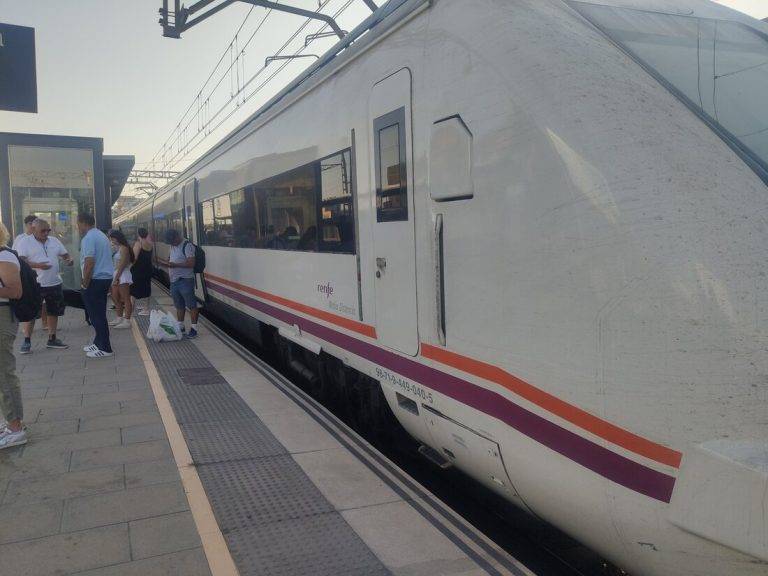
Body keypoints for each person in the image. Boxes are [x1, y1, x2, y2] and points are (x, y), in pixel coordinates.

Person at [16, 219, 74, 352]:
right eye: (43, 230)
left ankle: (52, 338)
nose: (46, 233)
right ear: (33, 229)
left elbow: (65, 255)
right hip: (35, 284)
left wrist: (69, 260)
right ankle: (26, 341)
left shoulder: (54, 241)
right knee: (31, 313)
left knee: (54, 311)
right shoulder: (24, 242)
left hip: (54, 282)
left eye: (48, 230)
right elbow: (21, 262)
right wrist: (38, 265)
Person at [0, 221, 26, 449]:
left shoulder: (5, 256)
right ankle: (11, 421)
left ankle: (16, 427)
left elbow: (15, 291)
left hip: (3, 317)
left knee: (3, 372)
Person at [77, 213, 114, 358]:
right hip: (104, 279)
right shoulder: (101, 235)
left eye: (78, 224)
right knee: (99, 313)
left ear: (83, 223)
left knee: (96, 315)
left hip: (95, 280)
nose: (78, 227)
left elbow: (89, 263)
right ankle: (98, 342)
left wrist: (85, 284)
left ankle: (105, 348)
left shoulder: (88, 238)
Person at [157, 229, 199, 339]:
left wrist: (175, 265)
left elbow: (191, 263)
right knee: (179, 305)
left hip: (185, 280)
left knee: (191, 305)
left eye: (172, 241)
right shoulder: (172, 246)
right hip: (174, 281)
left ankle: (194, 328)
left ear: (177, 237)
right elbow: (170, 259)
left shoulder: (187, 245)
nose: (171, 243)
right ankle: (181, 326)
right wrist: (166, 264)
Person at [108, 229, 134, 329]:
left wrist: (116, 278)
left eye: (113, 239)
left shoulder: (124, 248)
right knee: (115, 297)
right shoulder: (118, 248)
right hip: (116, 274)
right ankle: (119, 317)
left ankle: (127, 320)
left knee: (125, 298)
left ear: (118, 238)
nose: (112, 241)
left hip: (122, 274)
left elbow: (122, 265)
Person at [130, 228, 153, 316]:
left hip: (138, 270)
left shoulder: (138, 244)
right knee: (146, 288)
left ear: (138, 234)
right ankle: (146, 309)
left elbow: (135, 258)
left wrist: (129, 267)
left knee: (133, 289)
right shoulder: (150, 244)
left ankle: (131, 310)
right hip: (147, 269)